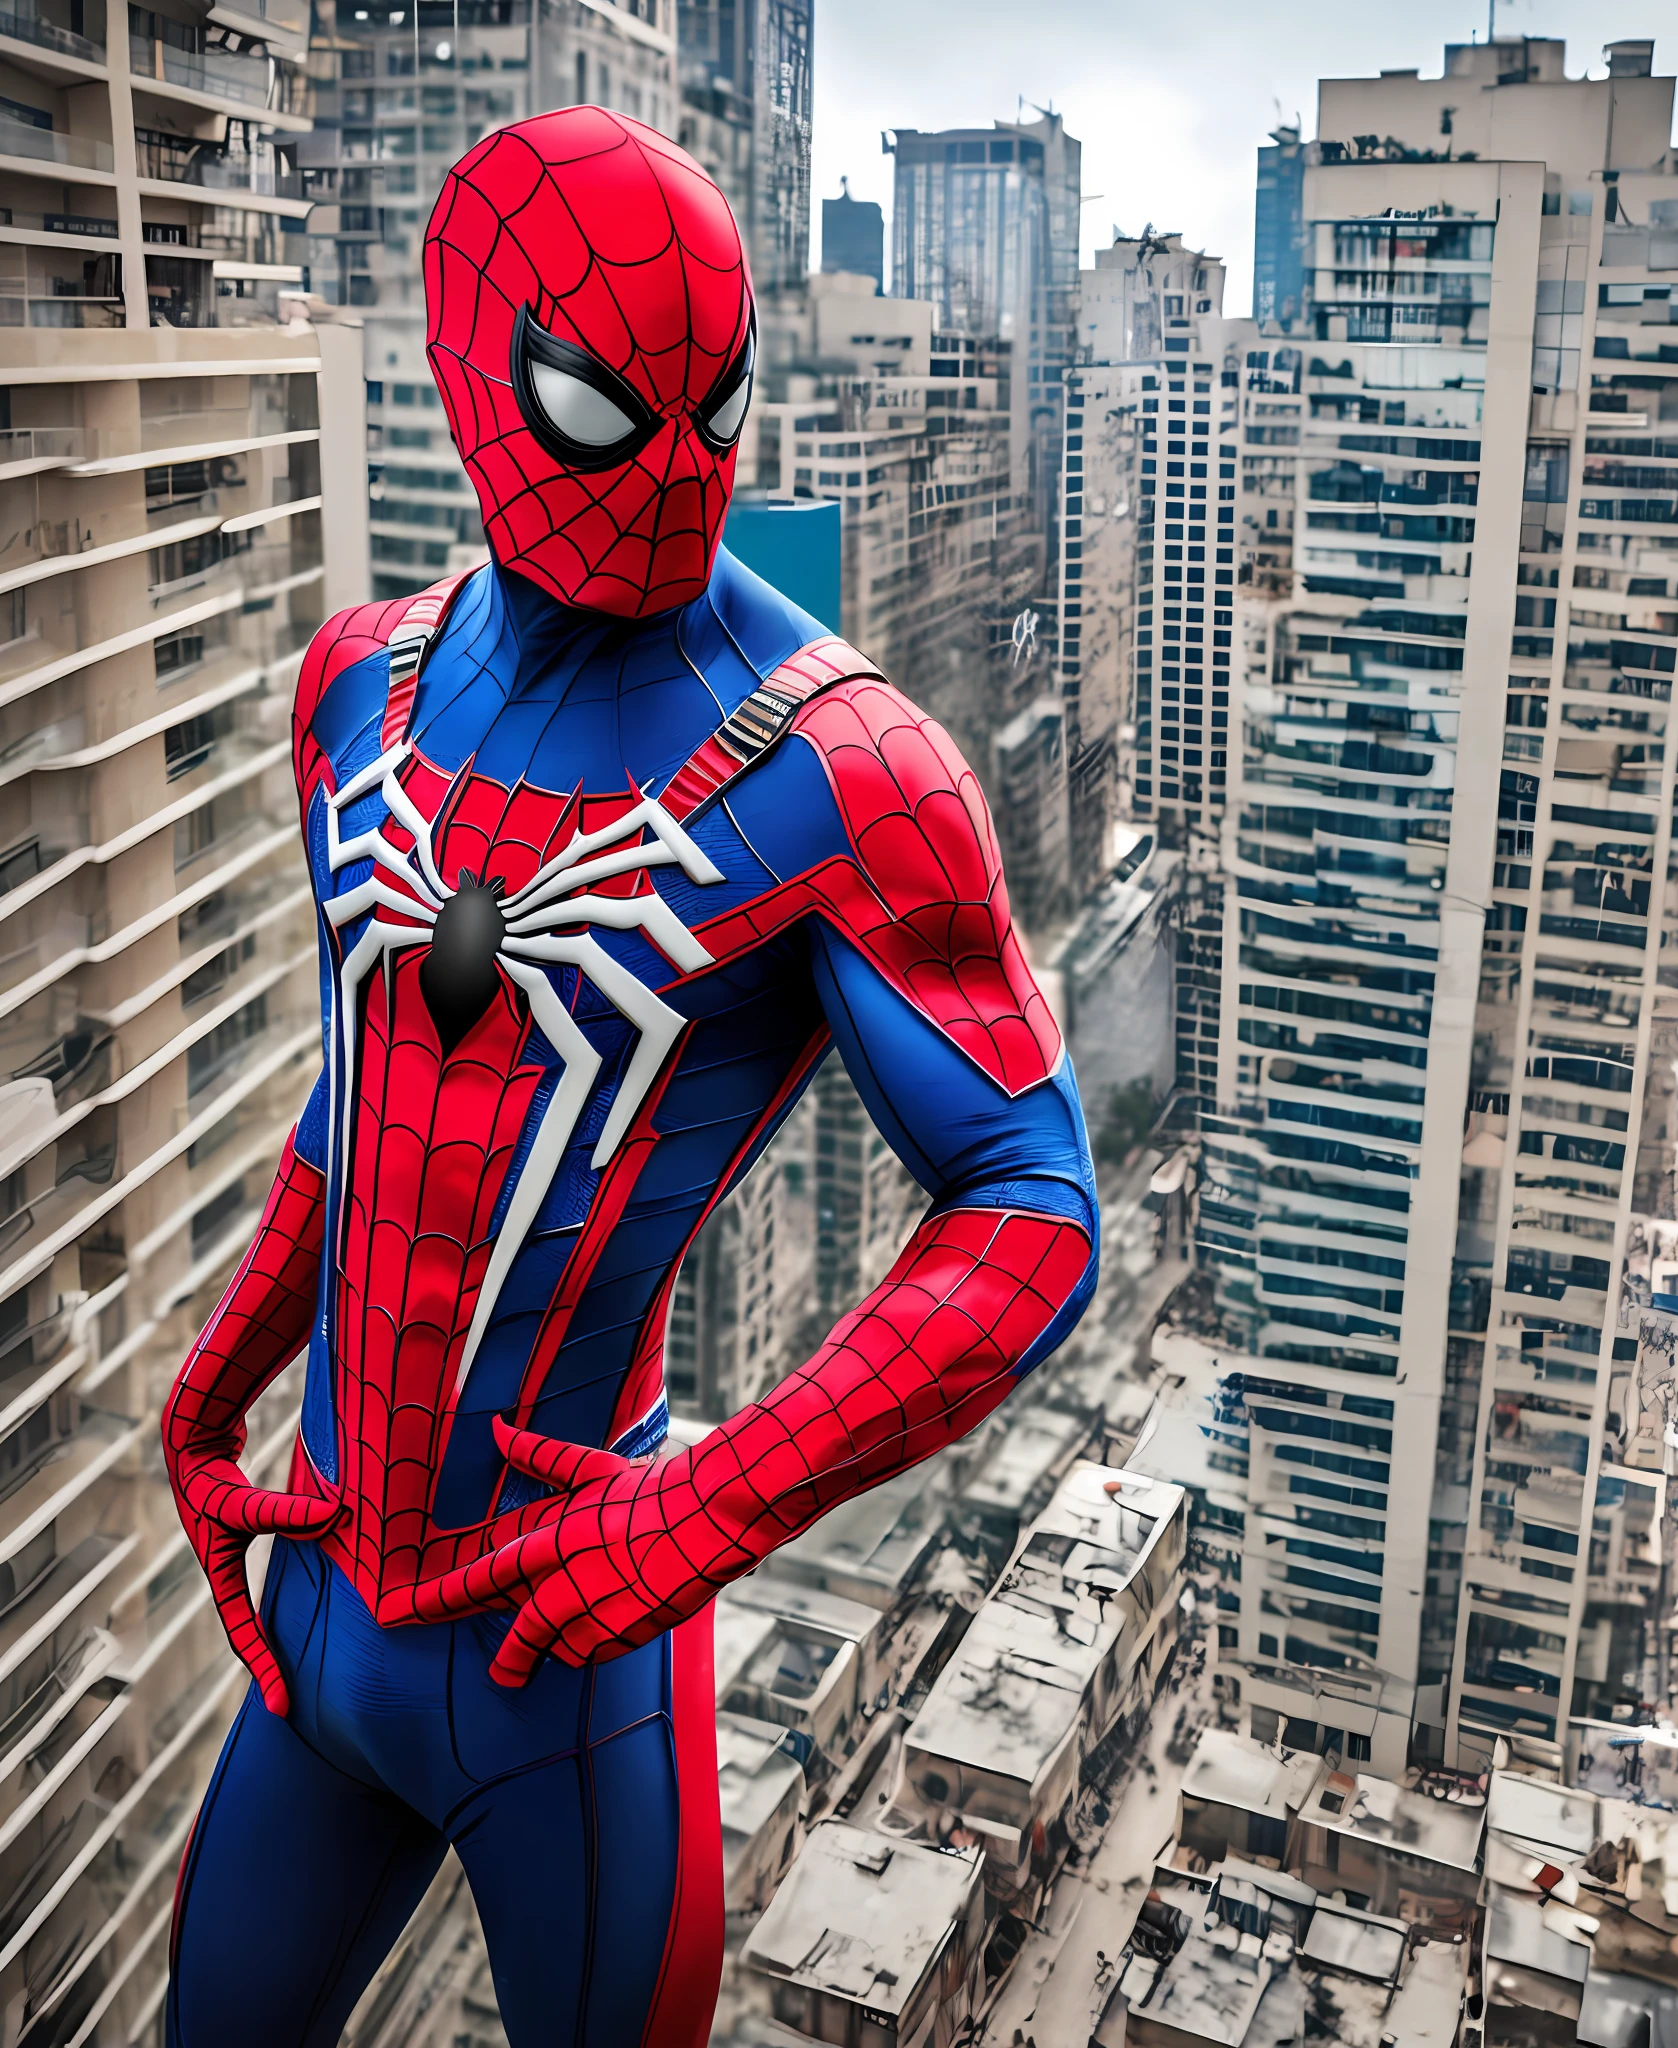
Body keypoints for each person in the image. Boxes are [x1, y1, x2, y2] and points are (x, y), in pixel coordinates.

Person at [160, 109, 1097, 2048]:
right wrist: (217, 1372)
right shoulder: (358, 688)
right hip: (325, 1615)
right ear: (467, 370)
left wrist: (704, 1508)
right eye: (605, 407)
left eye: (715, 406)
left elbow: (1030, 1208)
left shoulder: (848, 766)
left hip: (565, 1656)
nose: (677, 475)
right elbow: (368, 1101)